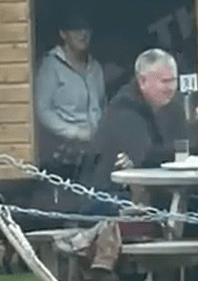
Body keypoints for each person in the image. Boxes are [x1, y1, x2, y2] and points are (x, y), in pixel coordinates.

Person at [83, 48, 189, 193]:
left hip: (162, 192)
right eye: (165, 81)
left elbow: (185, 145)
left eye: (174, 80)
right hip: (111, 197)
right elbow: (145, 157)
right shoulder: (123, 109)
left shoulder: (174, 107)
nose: (171, 88)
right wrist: (179, 153)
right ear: (142, 81)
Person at [35, 15, 105, 179]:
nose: (83, 34)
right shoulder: (51, 66)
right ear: (63, 34)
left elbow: (102, 105)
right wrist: (74, 132)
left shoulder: (95, 68)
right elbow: (42, 110)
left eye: (87, 30)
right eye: (76, 30)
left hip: (93, 150)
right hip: (61, 154)